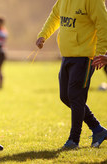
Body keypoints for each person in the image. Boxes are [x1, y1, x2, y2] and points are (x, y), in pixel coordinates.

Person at [36, 0, 107, 149]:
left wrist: (100, 52)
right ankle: (98, 129)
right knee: (65, 96)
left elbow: (103, 24)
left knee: (75, 96)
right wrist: (43, 35)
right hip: (67, 56)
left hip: (85, 57)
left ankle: (74, 140)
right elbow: (55, 17)